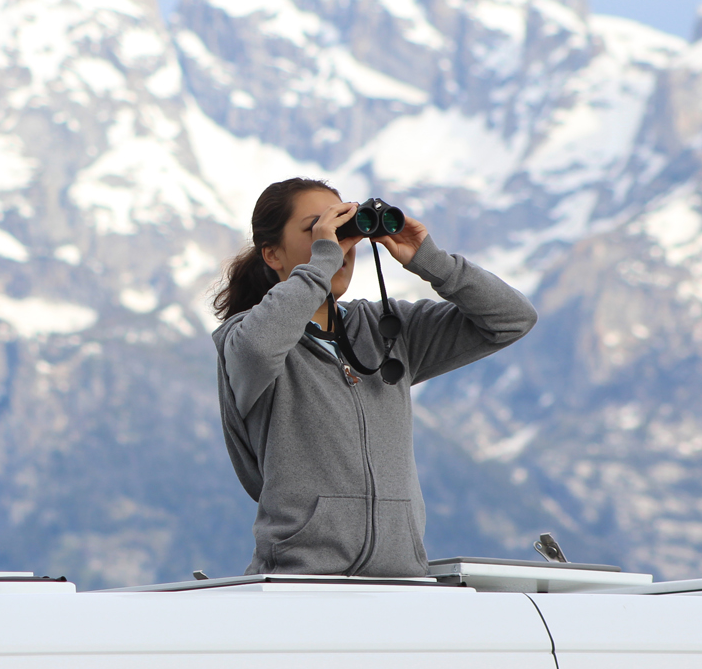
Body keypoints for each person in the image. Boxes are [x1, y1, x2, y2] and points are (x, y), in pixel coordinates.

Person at [211, 178, 537, 578]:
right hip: (298, 580)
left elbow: (512, 319)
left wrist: (430, 260)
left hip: (401, 578)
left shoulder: (386, 327)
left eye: (342, 226)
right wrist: (322, 260)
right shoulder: (243, 339)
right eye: (316, 230)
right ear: (273, 254)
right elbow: (262, 344)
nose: (337, 246)